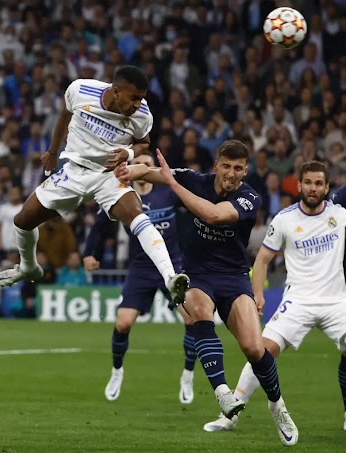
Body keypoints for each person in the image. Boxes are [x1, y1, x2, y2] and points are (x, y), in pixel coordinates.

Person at [116, 140, 298, 446]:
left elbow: (214, 215)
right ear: (216, 165)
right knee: (198, 312)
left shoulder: (250, 197)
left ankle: (277, 405)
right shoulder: (195, 179)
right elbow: (151, 172)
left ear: (245, 170)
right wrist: (125, 169)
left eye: (238, 168)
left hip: (235, 277)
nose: (231, 173)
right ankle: (223, 395)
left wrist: (174, 185)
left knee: (254, 349)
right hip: (197, 274)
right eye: (226, 166)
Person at [0, 66, 189, 307]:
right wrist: (53, 151)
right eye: (134, 98)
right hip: (74, 170)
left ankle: (170, 278)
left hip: (109, 175)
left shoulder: (142, 115)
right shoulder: (80, 90)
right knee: (22, 221)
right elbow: (64, 115)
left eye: (142, 98)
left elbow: (143, 143)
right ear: (116, 92)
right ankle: (28, 267)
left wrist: (127, 153)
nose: (138, 104)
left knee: (136, 214)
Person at [204, 160, 346, 433]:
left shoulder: (340, 216)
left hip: (336, 301)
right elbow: (262, 260)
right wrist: (257, 293)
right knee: (262, 349)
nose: (313, 188)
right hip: (298, 301)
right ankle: (231, 414)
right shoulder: (284, 219)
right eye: (308, 183)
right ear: (299, 185)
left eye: (319, 183)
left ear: (327, 187)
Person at [84, 153, 197, 404]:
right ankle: (116, 372)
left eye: (147, 164)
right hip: (140, 268)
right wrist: (90, 253)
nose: (143, 167)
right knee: (123, 324)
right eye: (139, 163)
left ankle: (188, 375)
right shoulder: (121, 194)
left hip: (172, 264)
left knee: (192, 319)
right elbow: (100, 226)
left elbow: (194, 211)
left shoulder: (166, 192)